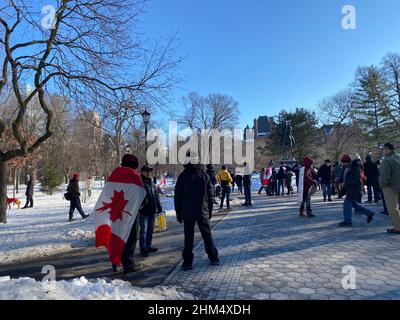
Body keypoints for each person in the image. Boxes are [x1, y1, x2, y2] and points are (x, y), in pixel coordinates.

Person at [174, 151, 219, 271]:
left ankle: (187, 262)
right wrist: (209, 211)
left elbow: (177, 196)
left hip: (188, 212)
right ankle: (213, 257)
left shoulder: (183, 176)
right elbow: (210, 196)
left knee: (188, 237)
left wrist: (179, 213)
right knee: (207, 235)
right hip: (202, 211)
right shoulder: (204, 175)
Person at [339, 159, 375, 227]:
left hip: (354, 190)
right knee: (354, 204)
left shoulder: (356, 169)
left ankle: (348, 221)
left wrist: (345, 184)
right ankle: (369, 213)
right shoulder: (351, 169)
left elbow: (357, 181)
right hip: (352, 190)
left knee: (347, 204)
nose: (343, 164)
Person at [139, 165, 162, 257]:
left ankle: (148, 246)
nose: (149, 173)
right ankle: (143, 248)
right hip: (143, 211)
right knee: (143, 231)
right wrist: (139, 207)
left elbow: (156, 196)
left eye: (150, 171)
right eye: (147, 171)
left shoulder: (152, 183)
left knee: (150, 229)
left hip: (152, 209)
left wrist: (159, 206)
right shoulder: (140, 182)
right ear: (142, 172)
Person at [379, 143, 400, 234]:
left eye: (383, 149)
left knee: (392, 208)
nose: (383, 151)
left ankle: (398, 227)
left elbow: (384, 176)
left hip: (390, 187)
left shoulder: (386, 160)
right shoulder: (398, 157)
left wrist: (381, 185)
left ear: (387, 149)